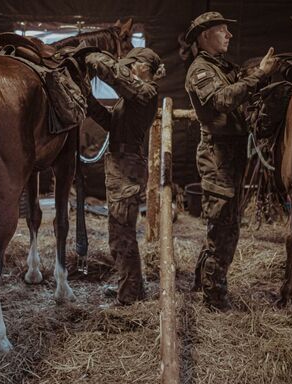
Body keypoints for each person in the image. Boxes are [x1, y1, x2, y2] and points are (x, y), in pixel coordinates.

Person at [184, 11, 278, 311]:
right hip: (218, 155)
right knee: (222, 228)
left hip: (230, 154)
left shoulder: (221, 67)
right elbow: (223, 101)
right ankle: (214, 299)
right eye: (223, 30)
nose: (229, 35)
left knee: (224, 224)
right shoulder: (200, 70)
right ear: (204, 35)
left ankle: (201, 282)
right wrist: (259, 74)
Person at [85, 47, 165, 305]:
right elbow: (111, 123)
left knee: (122, 234)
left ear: (144, 67)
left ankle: (129, 297)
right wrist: (89, 100)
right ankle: (131, 287)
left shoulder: (146, 92)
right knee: (120, 231)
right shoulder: (130, 100)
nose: (129, 70)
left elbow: (118, 76)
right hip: (121, 163)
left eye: (132, 65)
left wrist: (94, 57)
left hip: (126, 165)